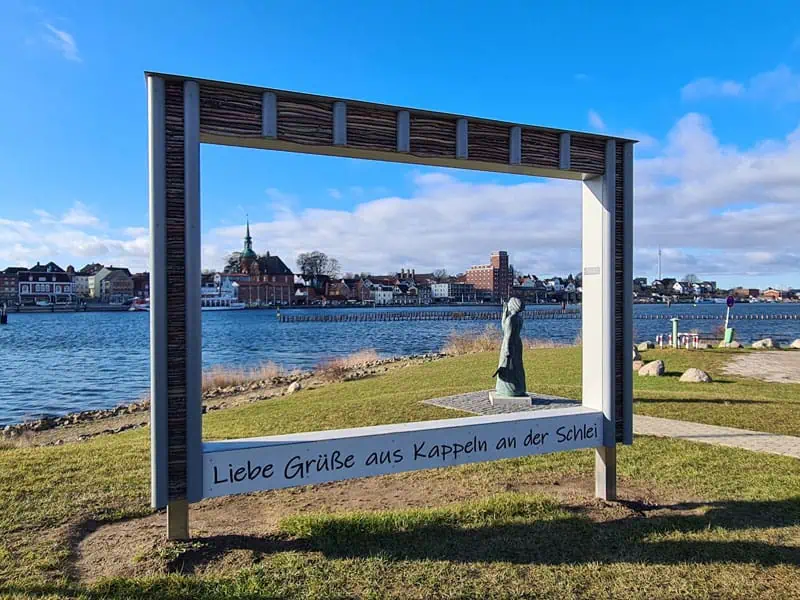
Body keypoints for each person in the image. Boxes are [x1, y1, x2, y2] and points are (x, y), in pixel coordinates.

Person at [492, 297, 527, 397]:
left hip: (509, 344)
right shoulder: (519, 318)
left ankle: (508, 389)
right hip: (517, 343)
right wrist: (504, 314)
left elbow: (507, 335)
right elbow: (506, 328)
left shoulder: (510, 319)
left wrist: (507, 350)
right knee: (517, 366)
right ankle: (519, 387)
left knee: (508, 367)